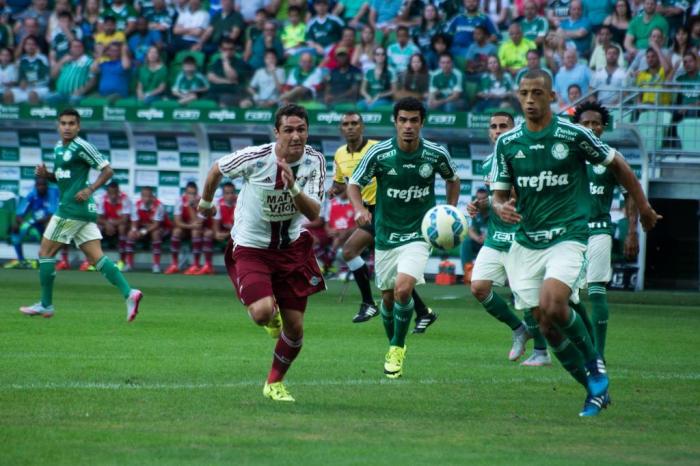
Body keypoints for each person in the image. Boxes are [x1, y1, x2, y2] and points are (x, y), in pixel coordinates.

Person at [490, 69, 661, 416]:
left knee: (554, 303)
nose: (529, 100)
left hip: (569, 235)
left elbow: (619, 164)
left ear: (552, 97)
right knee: (545, 325)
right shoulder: (507, 144)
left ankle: (595, 366)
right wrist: (501, 206)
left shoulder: (572, 134)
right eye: (524, 93)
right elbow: (499, 194)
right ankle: (593, 391)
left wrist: (642, 207)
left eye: (537, 93)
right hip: (527, 242)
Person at [197, 104, 327, 402]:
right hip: (252, 248)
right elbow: (217, 169)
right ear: (276, 132)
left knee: (295, 330)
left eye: (302, 130)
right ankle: (270, 318)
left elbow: (315, 212)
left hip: (292, 249)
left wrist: (293, 188)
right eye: (289, 130)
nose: (296, 136)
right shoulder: (256, 158)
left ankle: (274, 383)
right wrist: (206, 203)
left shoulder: (314, 161)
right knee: (261, 312)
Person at [348, 97, 460, 379]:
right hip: (386, 235)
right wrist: (360, 208)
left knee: (402, 289)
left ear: (422, 122)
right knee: (387, 299)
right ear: (395, 122)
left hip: (419, 234)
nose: (408, 126)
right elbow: (354, 184)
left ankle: (397, 347)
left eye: (414, 120)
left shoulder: (435, 154)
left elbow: (453, 178)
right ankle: (393, 344)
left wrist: (448, 210)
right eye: (403, 120)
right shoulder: (380, 154)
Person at [19, 108, 142, 321]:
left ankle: (46, 305)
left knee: (45, 253)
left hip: (71, 209)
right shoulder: (59, 148)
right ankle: (129, 293)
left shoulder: (82, 146)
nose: (67, 127)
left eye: (71, 123)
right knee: (97, 258)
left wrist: (90, 189)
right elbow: (62, 178)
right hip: (81, 211)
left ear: (78, 126)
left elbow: (108, 170)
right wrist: (46, 175)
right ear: (58, 126)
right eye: (64, 123)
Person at [329, 111, 439, 331]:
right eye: (346, 124)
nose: (350, 127)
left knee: (350, 251)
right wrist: (335, 189)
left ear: (362, 127)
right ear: (341, 129)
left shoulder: (379, 148)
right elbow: (342, 182)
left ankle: (369, 303)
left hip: (386, 210)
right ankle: (424, 312)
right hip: (367, 212)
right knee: (394, 274)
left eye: (354, 123)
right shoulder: (339, 154)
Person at [467, 112, 551, 366]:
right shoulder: (487, 163)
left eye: (504, 125)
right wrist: (480, 206)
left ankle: (541, 352)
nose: (498, 130)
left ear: (515, 129)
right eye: (493, 126)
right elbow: (496, 199)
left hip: (521, 236)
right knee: (478, 287)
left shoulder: (526, 156)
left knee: (524, 294)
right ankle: (518, 329)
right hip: (495, 237)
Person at [572, 101, 639, 362]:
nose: (590, 127)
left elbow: (630, 195)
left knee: (597, 289)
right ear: (576, 126)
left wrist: (632, 230)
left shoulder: (611, 157)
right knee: (564, 295)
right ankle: (587, 343)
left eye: (595, 123)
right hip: (570, 232)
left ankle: (598, 355)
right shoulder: (568, 156)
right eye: (585, 123)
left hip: (599, 229)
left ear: (603, 127)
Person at [4, 177, 58, 269]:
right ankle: (21, 261)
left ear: (47, 186)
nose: (41, 187)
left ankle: (46, 261)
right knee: (18, 229)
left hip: (51, 223)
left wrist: (35, 222)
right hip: (36, 224)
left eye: (43, 185)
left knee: (48, 226)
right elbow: (19, 215)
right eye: (39, 185)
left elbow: (51, 215)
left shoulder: (52, 193)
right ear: (35, 186)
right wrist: (19, 223)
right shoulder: (32, 195)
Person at [165, 181, 208, 275]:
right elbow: (177, 222)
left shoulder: (202, 202)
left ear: (197, 194)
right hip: (185, 228)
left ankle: (196, 265)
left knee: (195, 231)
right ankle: (174, 264)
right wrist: (190, 226)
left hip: (198, 230)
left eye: (193, 193)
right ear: (185, 193)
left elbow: (198, 223)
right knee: (176, 231)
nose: (191, 196)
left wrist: (190, 206)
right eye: (189, 193)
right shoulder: (179, 200)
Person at [90, 180, 131, 271]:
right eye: (111, 193)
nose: (113, 196)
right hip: (107, 225)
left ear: (118, 192)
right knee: (96, 228)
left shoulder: (125, 199)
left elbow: (125, 220)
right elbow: (97, 218)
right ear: (107, 192)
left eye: (115, 193)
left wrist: (110, 224)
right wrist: (107, 224)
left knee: (122, 228)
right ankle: (95, 261)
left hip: (120, 225)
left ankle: (122, 261)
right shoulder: (102, 199)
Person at [126, 186, 165, 273]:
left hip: (160, 228)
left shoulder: (159, 205)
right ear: (141, 196)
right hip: (143, 228)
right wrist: (134, 230)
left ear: (152, 196)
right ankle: (129, 264)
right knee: (130, 234)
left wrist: (143, 232)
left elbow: (156, 224)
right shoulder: (136, 205)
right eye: (144, 196)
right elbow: (134, 223)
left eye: (149, 196)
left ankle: (156, 265)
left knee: (155, 234)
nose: (146, 198)